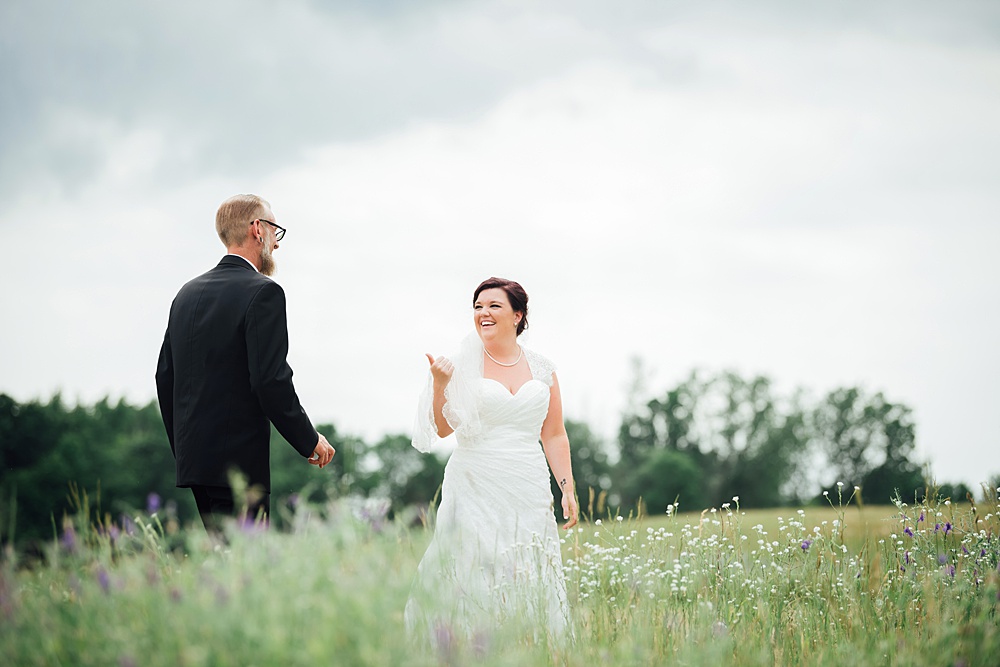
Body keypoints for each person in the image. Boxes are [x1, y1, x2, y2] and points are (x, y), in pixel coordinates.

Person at [405, 276, 579, 643]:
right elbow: (441, 430)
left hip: (528, 483)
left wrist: (566, 486)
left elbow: (553, 433)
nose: (483, 313)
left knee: (532, 564)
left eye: (493, 306)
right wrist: (439, 385)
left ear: (518, 315)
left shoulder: (543, 368)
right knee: (474, 564)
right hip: (474, 482)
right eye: (478, 307)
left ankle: (530, 645)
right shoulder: (460, 365)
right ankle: (468, 646)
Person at [155, 194, 335, 531]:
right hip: (238, 466)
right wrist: (309, 439)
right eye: (275, 231)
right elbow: (270, 380)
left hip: (195, 464)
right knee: (244, 570)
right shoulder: (264, 292)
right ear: (257, 229)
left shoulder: (186, 294)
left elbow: (165, 377)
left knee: (222, 566)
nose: (277, 245)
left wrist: (184, 450)